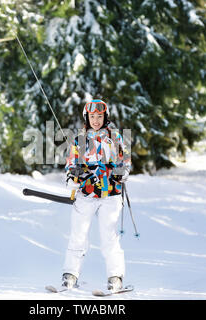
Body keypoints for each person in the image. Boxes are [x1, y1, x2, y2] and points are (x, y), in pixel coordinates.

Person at [62, 99, 131, 291]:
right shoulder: (80, 139)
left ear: (105, 117)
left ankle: (115, 276)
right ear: (86, 117)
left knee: (109, 236)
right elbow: (71, 163)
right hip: (86, 194)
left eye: (99, 116)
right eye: (92, 116)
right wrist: (71, 177)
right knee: (78, 234)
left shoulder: (115, 137)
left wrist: (123, 172)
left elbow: (125, 159)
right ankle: (70, 274)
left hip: (110, 194)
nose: (96, 120)